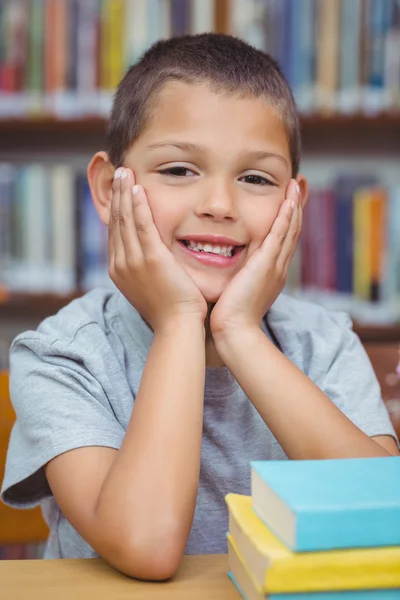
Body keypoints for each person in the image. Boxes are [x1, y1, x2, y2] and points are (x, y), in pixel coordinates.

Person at [1, 34, 398, 580]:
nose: (218, 205)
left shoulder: (323, 340)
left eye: (255, 178)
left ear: (294, 205)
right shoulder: (61, 355)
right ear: (107, 188)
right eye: (179, 170)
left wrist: (240, 334)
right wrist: (178, 322)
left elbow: (382, 513)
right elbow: (147, 546)